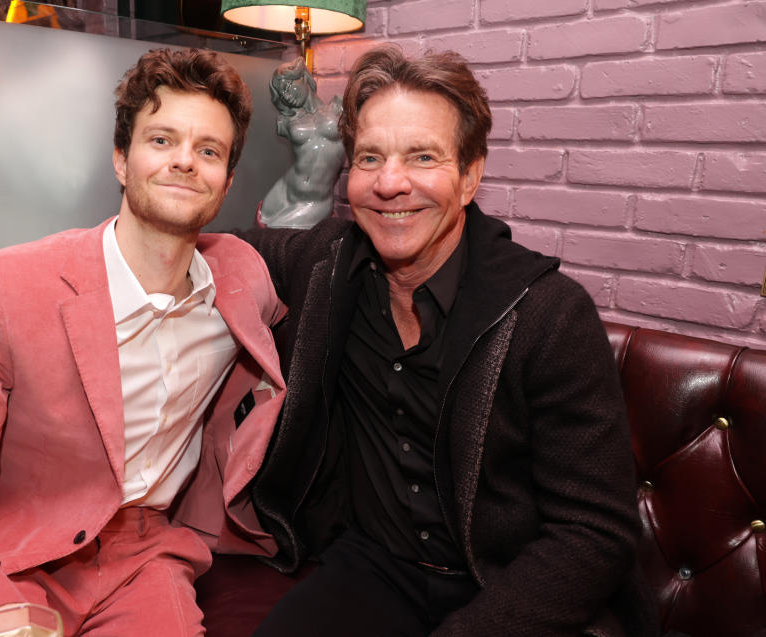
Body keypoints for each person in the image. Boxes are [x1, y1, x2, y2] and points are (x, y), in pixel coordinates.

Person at [244, 45, 656, 636]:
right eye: (369, 157)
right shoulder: (329, 267)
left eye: (422, 156)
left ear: (470, 176)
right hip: (374, 567)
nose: (390, 183)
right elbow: (213, 251)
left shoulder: (549, 314)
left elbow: (594, 533)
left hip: (509, 585)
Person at [0, 48, 286, 637]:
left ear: (227, 183)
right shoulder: (4, 288)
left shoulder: (242, 279)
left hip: (145, 557)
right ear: (121, 159)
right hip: (6, 552)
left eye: (208, 151)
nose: (185, 163)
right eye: (162, 140)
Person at [258, 57, 345, 229]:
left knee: (278, 236)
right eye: (282, 92)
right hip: (282, 192)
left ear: (304, 77)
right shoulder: (286, 121)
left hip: (315, 201)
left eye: (289, 85)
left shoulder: (339, 107)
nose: (287, 95)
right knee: (264, 231)